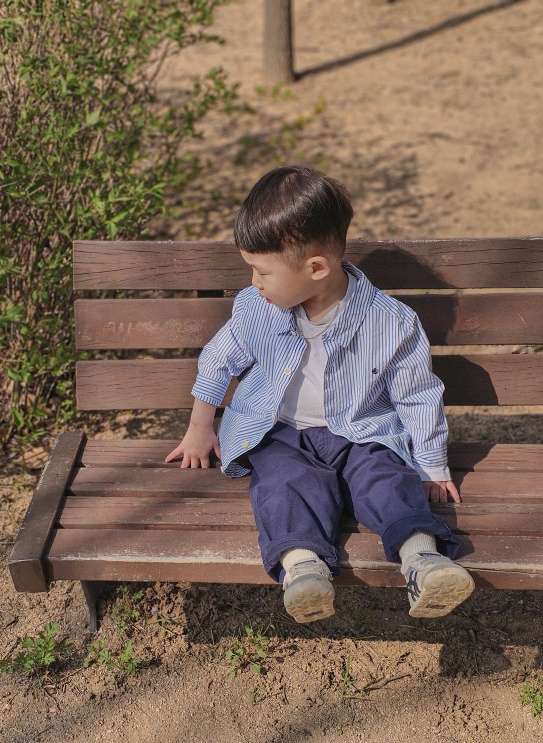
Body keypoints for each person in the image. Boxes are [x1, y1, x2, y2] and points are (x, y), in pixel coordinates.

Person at [165, 165, 474, 623]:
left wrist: (430, 464)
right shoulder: (256, 309)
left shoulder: (390, 322)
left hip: (361, 432)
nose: (254, 282)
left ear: (315, 268)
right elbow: (218, 360)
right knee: (283, 484)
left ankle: (422, 560)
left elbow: (418, 396)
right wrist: (199, 428)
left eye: (262, 271)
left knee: (387, 478)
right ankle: (303, 569)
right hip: (280, 433)